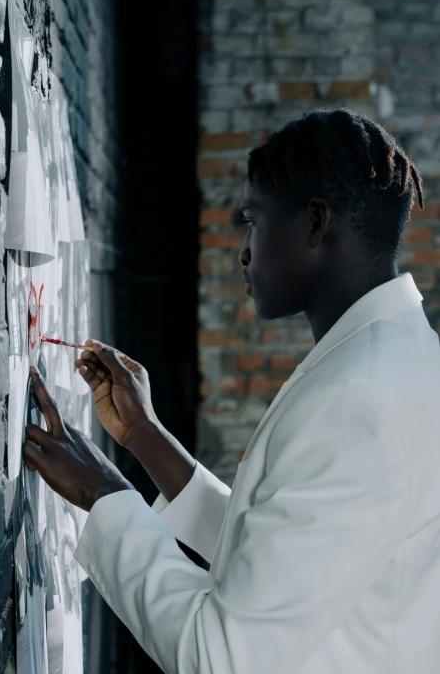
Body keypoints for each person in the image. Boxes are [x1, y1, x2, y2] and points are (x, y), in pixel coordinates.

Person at [23, 108, 440, 674]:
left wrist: (105, 498)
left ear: (315, 223)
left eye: (253, 221)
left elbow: (222, 657)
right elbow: (285, 557)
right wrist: (145, 438)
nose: (243, 251)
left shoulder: (358, 397)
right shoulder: (397, 357)